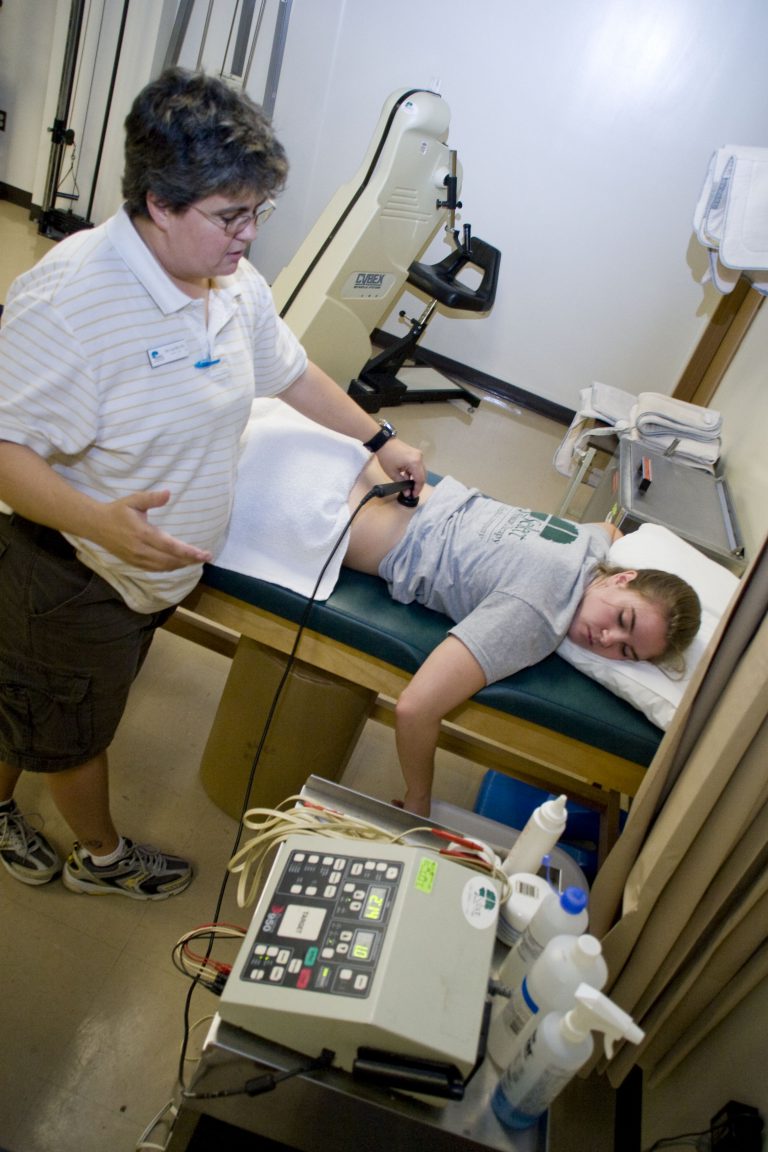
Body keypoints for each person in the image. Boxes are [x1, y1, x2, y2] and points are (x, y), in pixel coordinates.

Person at [0, 68, 425, 899]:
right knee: (72, 728)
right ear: (159, 202)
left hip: (149, 577)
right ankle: (101, 859)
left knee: (31, 699)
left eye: (258, 211)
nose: (251, 235)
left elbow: (291, 373)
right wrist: (102, 522)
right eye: (233, 215)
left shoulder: (229, 282)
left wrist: (383, 437)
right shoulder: (69, 302)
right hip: (76, 575)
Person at [214, 401, 702, 818]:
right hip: (315, 502)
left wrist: (627, 608)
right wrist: (419, 799)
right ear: (622, 578)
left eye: (627, 652)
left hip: (347, 458)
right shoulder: (536, 614)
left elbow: (615, 531)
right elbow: (415, 709)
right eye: (624, 620)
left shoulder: (591, 544)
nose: (605, 640)